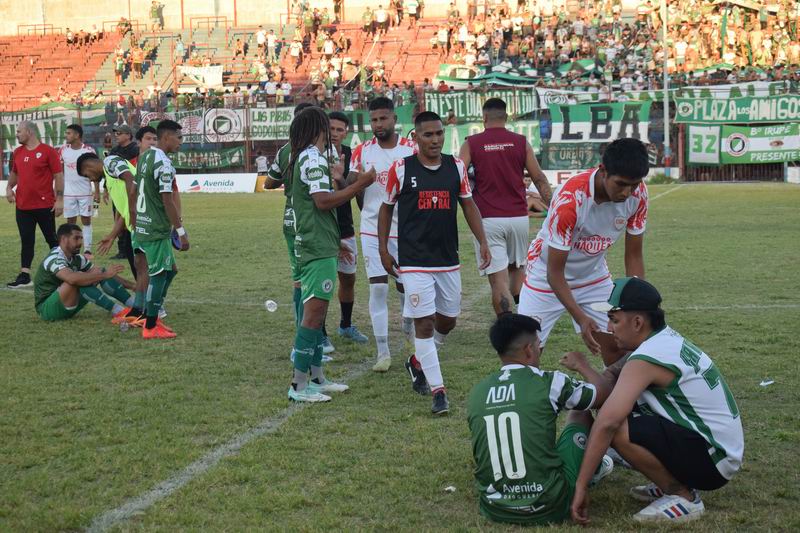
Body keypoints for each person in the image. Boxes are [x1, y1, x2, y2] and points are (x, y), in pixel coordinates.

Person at [571, 277, 744, 523]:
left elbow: (608, 422)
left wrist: (581, 485)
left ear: (638, 322)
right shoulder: (661, 340)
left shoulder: (647, 357)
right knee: (624, 412)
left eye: (614, 320)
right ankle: (673, 480)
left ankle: (683, 495)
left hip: (713, 461)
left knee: (617, 426)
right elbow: (612, 381)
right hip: (718, 448)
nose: (609, 329)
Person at [378, 111, 491, 414]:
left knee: (448, 320)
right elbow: (386, 210)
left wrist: (482, 241)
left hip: (447, 260)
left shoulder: (456, 167)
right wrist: (383, 250)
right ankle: (438, 392)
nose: (435, 139)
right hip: (413, 261)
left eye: (439, 133)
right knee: (424, 324)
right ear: (415, 138)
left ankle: (417, 361)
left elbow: (468, 205)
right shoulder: (401, 169)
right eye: (428, 135)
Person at [467, 313, 614, 524]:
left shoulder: (478, 392)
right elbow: (603, 395)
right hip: (549, 504)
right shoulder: (549, 382)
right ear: (528, 350)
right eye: (538, 345)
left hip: (495, 507)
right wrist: (582, 365)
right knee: (580, 412)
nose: (538, 350)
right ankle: (594, 468)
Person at [519, 138, 649, 365]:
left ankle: (617, 397)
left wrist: (636, 303)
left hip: (594, 278)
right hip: (546, 279)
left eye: (635, 184)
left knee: (618, 346)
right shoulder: (571, 200)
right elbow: (554, 272)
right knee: (525, 352)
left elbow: (634, 256)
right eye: (620, 184)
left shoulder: (638, 196)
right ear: (603, 171)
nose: (628, 192)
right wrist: (581, 318)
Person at [287, 107, 375, 402]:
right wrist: (359, 184)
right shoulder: (311, 157)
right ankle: (299, 386)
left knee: (317, 312)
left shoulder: (312, 157)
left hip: (319, 242)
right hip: (315, 246)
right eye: (327, 127)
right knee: (312, 316)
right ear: (320, 129)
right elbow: (323, 202)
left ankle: (316, 378)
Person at [459, 98, 552, 317]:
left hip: (488, 219)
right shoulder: (520, 142)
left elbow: (457, 174)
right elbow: (538, 178)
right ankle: (524, 315)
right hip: (519, 218)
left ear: (484, 118)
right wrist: (554, 206)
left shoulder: (472, 142)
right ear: (506, 117)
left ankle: (507, 327)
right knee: (516, 269)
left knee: (497, 279)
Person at [350, 97, 417, 372]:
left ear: (394, 119)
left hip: (406, 231)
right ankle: (383, 352)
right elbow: (355, 188)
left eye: (383, 118)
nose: (378, 124)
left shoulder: (411, 150)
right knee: (378, 287)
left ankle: (409, 329)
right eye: (374, 120)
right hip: (371, 229)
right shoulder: (362, 151)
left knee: (406, 288)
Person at [265, 103, 324, 358]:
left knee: (299, 280)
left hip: (289, 219)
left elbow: (269, 183)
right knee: (311, 283)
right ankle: (309, 339)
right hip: (308, 220)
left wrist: (287, 180)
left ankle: (306, 337)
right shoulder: (313, 152)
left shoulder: (285, 151)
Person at [134, 120, 188, 339]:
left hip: (142, 224)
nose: (181, 143)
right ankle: (150, 325)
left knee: (171, 270)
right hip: (156, 228)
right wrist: (181, 231)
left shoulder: (145, 156)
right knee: (159, 274)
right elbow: (167, 200)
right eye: (179, 137)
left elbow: (136, 188)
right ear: (166, 137)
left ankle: (152, 315)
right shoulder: (164, 163)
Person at [33, 223, 134, 322]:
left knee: (97, 271)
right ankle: (118, 311)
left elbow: (101, 274)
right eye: (76, 238)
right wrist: (104, 275)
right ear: (64, 239)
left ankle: (135, 305)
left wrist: (134, 286)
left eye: (81, 238)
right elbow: (72, 279)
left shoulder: (77, 258)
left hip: (68, 303)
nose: (80, 242)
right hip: (47, 310)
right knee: (80, 278)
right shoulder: (54, 258)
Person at [6, 121, 63, 288]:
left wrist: (59, 199)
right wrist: (9, 187)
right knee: (26, 240)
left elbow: (58, 176)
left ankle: (63, 271)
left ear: (29, 132)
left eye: (19, 131)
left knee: (52, 240)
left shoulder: (48, 151)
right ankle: (25, 275)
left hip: (45, 205)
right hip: (23, 206)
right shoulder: (17, 152)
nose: (16, 134)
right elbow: (15, 173)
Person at [328, 111, 369, 344]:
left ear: (346, 132)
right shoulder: (314, 155)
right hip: (322, 228)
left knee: (348, 279)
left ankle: (345, 325)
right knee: (322, 280)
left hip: (345, 227)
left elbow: (354, 194)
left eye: (339, 130)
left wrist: (358, 184)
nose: (334, 134)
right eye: (331, 129)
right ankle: (320, 333)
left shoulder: (351, 156)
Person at [58, 124, 98, 257]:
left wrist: (97, 191)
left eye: (69, 133)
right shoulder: (63, 150)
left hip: (85, 192)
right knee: (70, 222)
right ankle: (72, 248)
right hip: (68, 192)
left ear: (77, 135)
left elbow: (96, 171)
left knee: (86, 220)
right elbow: (59, 172)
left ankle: (87, 249)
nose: (66, 136)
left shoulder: (89, 150)